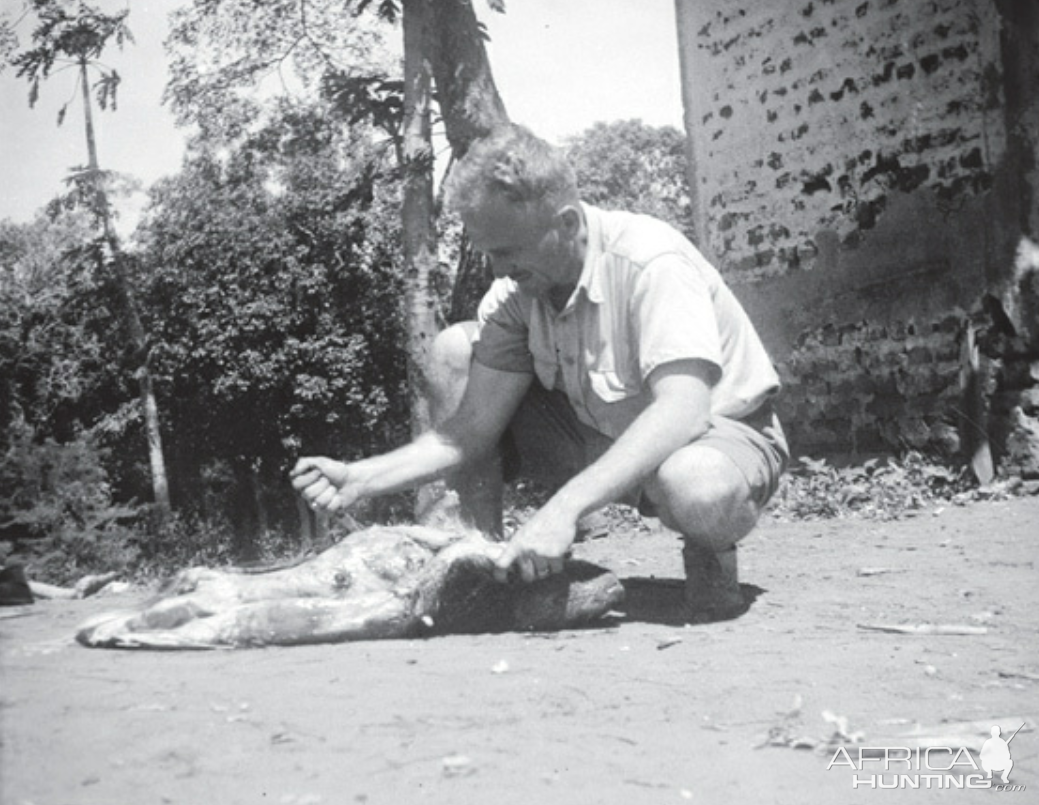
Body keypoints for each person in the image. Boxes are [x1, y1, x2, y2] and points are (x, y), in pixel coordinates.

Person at [292, 124, 788, 620]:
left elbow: (684, 412)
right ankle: (484, 561)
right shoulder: (518, 293)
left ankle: (710, 554)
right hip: (601, 433)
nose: (496, 268)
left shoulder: (651, 261)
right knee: (455, 349)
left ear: (567, 224)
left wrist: (562, 510)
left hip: (716, 436)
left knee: (695, 485)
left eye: (506, 251)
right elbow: (469, 432)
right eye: (486, 252)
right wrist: (362, 477)